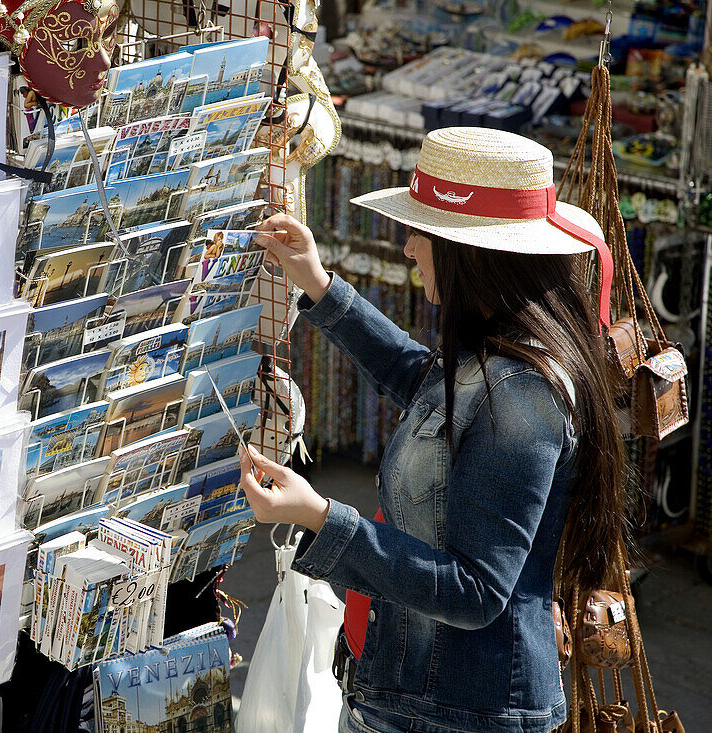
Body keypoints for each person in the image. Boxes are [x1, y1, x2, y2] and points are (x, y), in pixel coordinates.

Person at [239, 127, 626, 733]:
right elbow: (422, 382)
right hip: (426, 699)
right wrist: (318, 283)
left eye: (424, 234)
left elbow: (474, 591)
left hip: (461, 714)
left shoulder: (521, 393)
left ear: (469, 254)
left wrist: (318, 515)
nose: (409, 248)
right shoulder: (496, 358)